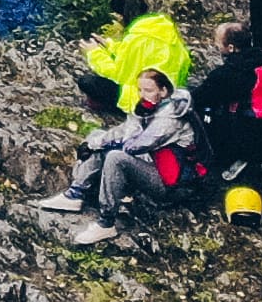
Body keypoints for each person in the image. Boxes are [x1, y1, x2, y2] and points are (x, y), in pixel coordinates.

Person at [39, 65, 199, 237]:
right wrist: (93, 144)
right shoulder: (148, 108)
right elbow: (124, 130)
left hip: (169, 182)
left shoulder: (172, 118)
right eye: (140, 90)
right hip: (150, 163)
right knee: (97, 135)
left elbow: (139, 145)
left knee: (116, 157)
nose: (143, 94)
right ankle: (76, 193)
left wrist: (104, 146)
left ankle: (106, 222)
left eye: (148, 90)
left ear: (163, 90)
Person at [197, 19, 262, 180]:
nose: (215, 46)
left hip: (254, 142)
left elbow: (201, 98)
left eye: (218, 42)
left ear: (230, 48)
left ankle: (239, 156)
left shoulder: (231, 73)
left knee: (201, 112)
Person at [76, 0, 193, 117]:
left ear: (121, 17)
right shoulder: (167, 35)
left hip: (142, 103)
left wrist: (94, 53)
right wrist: (110, 46)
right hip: (168, 99)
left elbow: (118, 76)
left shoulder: (136, 40)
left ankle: (111, 110)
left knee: (87, 82)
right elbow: (141, 56)